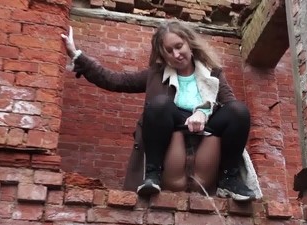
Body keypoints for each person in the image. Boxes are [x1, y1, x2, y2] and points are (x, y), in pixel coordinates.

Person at [61, 20, 255, 201]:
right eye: (168, 51)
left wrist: (203, 112)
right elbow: (115, 80)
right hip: (171, 125)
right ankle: (153, 174)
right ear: (163, 55)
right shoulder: (156, 74)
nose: (176, 55)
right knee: (159, 104)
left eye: (179, 47)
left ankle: (229, 179)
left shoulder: (213, 73)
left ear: (189, 43)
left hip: (206, 126)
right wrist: (77, 55)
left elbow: (230, 105)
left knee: (238, 111)